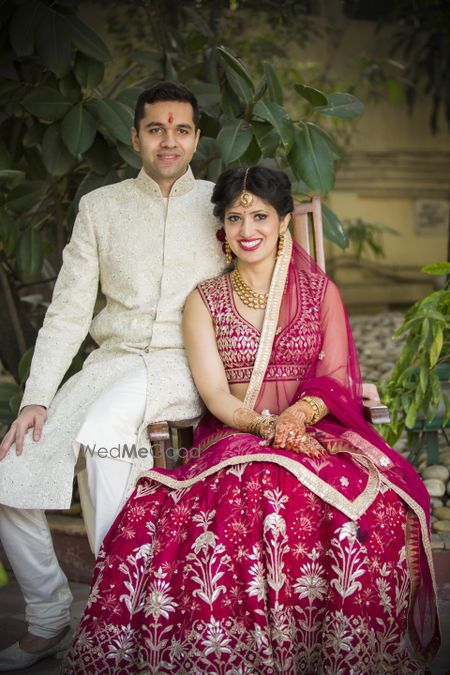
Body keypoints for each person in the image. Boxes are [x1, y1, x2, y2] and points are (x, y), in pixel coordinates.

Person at [63, 166, 440, 674]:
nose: (247, 229)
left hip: (316, 432)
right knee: (252, 496)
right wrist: (266, 427)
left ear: (284, 222)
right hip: (236, 433)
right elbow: (215, 393)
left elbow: (333, 378)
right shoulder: (205, 301)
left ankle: (335, 656)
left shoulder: (320, 292)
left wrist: (295, 418)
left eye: (260, 215)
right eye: (235, 217)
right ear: (223, 227)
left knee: (369, 507)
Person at [0, 81, 225, 671]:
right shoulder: (100, 208)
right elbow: (70, 311)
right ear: (135, 138)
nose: (168, 141)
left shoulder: (222, 205)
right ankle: (50, 617)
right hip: (112, 364)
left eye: (181, 129)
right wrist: (37, 398)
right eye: (156, 129)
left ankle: (115, 617)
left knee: (104, 441)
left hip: (185, 363)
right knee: (10, 470)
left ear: (197, 138)